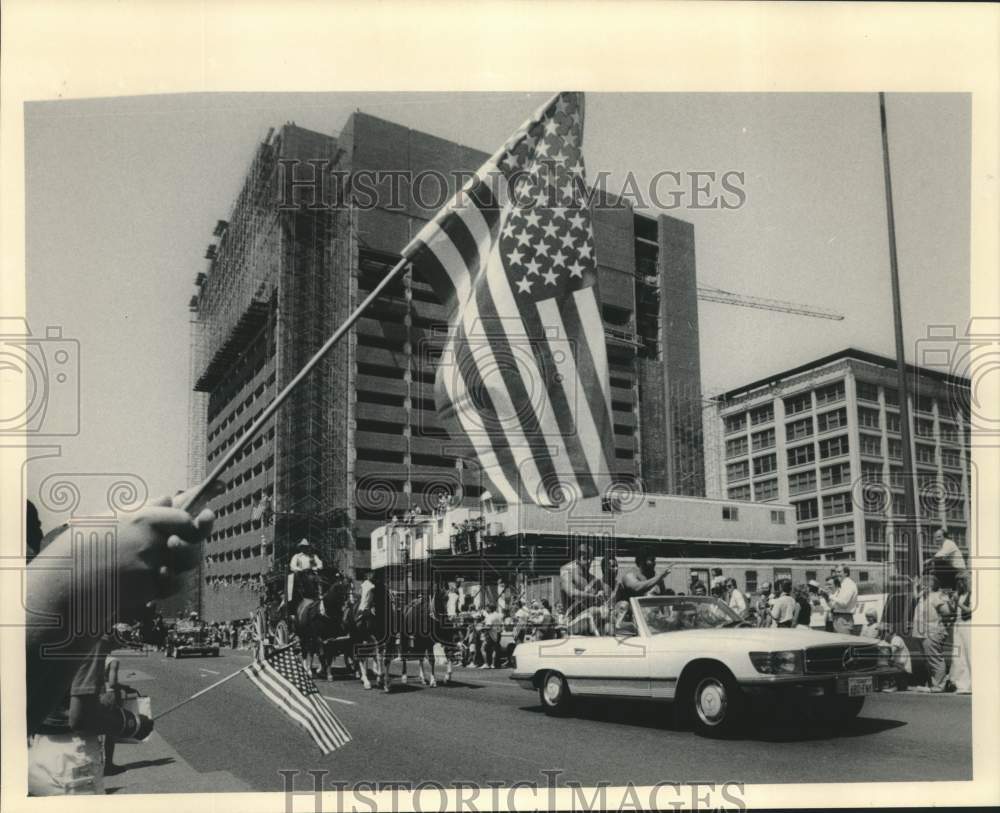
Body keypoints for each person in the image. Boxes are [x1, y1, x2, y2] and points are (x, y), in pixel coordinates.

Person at [27, 492, 211, 739]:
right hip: (68, 755)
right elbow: (82, 717)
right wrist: (132, 724)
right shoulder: (87, 628)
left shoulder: (84, 625)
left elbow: (29, 707)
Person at [911, 575, 953, 692]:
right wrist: (914, 586)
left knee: (935, 659)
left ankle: (939, 685)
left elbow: (947, 612)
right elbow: (914, 598)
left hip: (932, 632)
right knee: (928, 659)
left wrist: (943, 625)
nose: (922, 586)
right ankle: (933, 684)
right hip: (921, 633)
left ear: (930, 585)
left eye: (924, 584)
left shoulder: (936, 596)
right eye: (921, 584)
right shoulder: (923, 596)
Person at [559, 545, 604, 619]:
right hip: (572, 619)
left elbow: (601, 599)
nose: (589, 561)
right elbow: (572, 593)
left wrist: (601, 594)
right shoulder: (568, 575)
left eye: (590, 558)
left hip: (592, 619)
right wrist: (594, 596)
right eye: (585, 558)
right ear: (577, 559)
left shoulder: (594, 579)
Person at [949, 575, 972, 694]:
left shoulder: (971, 594)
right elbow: (954, 610)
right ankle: (962, 684)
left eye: (961, 581)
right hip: (958, 625)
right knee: (958, 655)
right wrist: (952, 603)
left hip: (968, 624)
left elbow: (970, 610)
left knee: (969, 654)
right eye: (958, 582)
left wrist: (958, 603)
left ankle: (972, 684)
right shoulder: (960, 595)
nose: (959, 584)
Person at [826, 564, 859, 634]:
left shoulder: (849, 584)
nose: (836, 574)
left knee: (842, 642)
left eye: (839, 572)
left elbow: (844, 604)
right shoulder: (842, 585)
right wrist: (826, 597)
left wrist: (830, 596)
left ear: (846, 573)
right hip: (837, 618)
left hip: (844, 619)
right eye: (835, 572)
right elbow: (833, 606)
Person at [480, 604, 503, 668]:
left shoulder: (490, 616)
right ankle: (493, 664)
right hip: (497, 633)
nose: (486, 610)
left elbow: (488, 627)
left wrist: (481, 628)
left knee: (483, 648)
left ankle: (486, 663)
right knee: (495, 649)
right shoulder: (498, 615)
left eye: (487, 608)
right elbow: (501, 624)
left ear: (490, 609)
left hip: (490, 634)